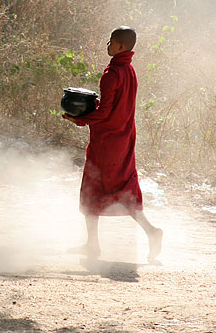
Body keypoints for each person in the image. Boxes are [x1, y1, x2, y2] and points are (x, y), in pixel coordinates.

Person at [63, 26, 163, 261]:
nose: (107, 44)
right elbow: (115, 107)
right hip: (124, 137)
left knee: (93, 186)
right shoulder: (129, 70)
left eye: (110, 41)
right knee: (124, 188)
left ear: (120, 47)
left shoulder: (111, 74)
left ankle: (101, 243)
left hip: (107, 141)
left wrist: (80, 118)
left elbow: (105, 112)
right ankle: (100, 243)